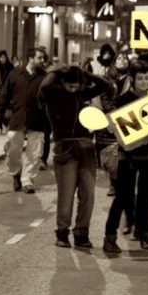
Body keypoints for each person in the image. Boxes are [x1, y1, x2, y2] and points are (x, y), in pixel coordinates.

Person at [39, 65, 111, 248]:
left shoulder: (81, 94)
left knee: (88, 193)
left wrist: (84, 73)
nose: (73, 90)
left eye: (76, 86)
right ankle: (62, 233)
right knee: (66, 194)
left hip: (86, 147)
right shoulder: (53, 94)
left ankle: (81, 233)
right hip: (65, 147)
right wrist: (58, 71)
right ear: (62, 82)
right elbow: (45, 86)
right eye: (70, 86)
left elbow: (107, 86)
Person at [103, 61, 148, 253]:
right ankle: (109, 237)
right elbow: (115, 130)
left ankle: (144, 234)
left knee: (146, 198)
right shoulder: (123, 100)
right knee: (122, 198)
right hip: (127, 158)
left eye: (146, 78)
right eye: (140, 78)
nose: (143, 82)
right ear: (132, 79)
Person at [0, 47, 49, 194]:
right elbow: (4, 96)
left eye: (43, 58)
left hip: (37, 120)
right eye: (39, 58)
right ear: (30, 58)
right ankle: (16, 174)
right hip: (18, 118)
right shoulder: (15, 74)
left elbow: (51, 99)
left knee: (35, 152)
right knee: (12, 149)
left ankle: (28, 181)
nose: (42, 60)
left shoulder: (44, 77)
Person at [97, 51, 131, 197]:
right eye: (120, 58)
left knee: (126, 151)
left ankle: (124, 183)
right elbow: (104, 98)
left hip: (129, 117)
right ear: (114, 62)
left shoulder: (132, 78)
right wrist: (114, 114)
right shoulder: (107, 79)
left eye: (125, 58)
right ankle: (113, 183)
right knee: (113, 153)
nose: (123, 60)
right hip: (112, 117)